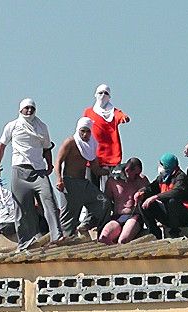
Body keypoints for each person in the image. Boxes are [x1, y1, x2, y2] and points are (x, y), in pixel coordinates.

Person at [0, 98, 63, 250]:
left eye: (32, 108)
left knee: (49, 199)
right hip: (19, 171)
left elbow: (47, 148)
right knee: (22, 208)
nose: (29, 111)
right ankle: (25, 241)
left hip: (38, 171)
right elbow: (1, 146)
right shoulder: (12, 126)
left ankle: (57, 235)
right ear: (20, 110)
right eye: (26, 108)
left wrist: (49, 164)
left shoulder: (41, 127)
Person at [80, 84, 131, 231]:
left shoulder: (113, 112)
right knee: (91, 190)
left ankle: (106, 219)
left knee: (108, 191)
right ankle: (91, 218)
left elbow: (121, 116)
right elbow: (82, 128)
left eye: (106, 93)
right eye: (100, 93)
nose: (103, 96)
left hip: (110, 158)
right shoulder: (89, 112)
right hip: (92, 156)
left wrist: (124, 118)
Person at [55, 117, 111, 237]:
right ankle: (63, 240)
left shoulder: (91, 145)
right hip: (70, 183)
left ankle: (86, 225)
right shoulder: (70, 142)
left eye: (88, 131)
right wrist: (59, 179)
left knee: (103, 203)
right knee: (68, 218)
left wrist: (109, 171)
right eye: (82, 131)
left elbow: (95, 168)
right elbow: (58, 161)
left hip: (84, 183)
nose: (85, 134)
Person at [136, 153, 188, 238]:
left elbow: (176, 192)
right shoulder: (162, 178)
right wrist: (141, 192)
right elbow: (151, 188)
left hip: (182, 216)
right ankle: (154, 233)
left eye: (162, 165)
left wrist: (156, 197)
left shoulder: (181, 177)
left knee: (172, 201)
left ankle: (175, 232)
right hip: (167, 215)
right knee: (144, 203)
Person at [98, 157, 150, 245]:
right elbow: (106, 200)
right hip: (117, 216)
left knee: (123, 240)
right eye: (135, 174)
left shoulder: (142, 179)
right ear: (127, 170)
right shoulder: (113, 180)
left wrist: (143, 193)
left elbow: (149, 193)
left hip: (134, 215)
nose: (137, 176)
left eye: (139, 174)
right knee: (103, 238)